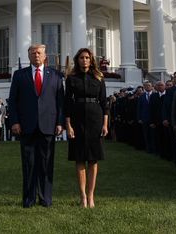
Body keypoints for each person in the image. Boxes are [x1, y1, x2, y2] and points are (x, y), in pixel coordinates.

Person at [8, 44, 64, 208]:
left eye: (39, 53)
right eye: (33, 53)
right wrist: (14, 122)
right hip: (26, 125)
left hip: (48, 125)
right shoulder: (20, 75)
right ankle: (28, 199)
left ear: (45, 56)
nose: (36, 56)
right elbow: (13, 101)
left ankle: (46, 199)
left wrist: (59, 122)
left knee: (46, 165)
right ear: (29, 56)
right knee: (28, 164)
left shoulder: (55, 74)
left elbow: (60, 102)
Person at [64, 48, 108, 208]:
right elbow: (67, 103)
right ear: (78, 60)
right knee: (79, 157)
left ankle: (91, 196)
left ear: (91, 60)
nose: (84, 60)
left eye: (87, 57)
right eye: (82, 58)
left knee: (93, 159)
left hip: (95, 119)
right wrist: (68, 126)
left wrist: (105, 124)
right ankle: (82, 197)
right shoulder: (71, 79)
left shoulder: (99, 78)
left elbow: (104, 103)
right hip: (77, 118)